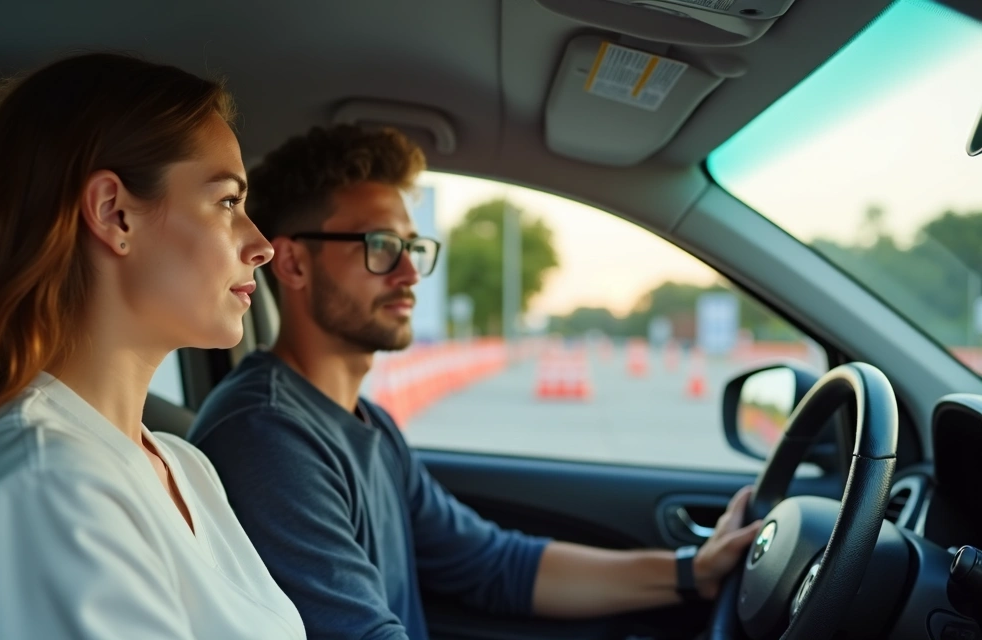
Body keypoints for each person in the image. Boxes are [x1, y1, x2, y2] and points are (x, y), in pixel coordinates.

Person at [189, 124, 762, 639]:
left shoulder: (368, 424)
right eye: (383, 247)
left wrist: (693, 571)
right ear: (291, 264)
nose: (412, 272)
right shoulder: (267, 436)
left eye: (413, 248)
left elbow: (493, 564)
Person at [0, 53, 306, 639]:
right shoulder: (43, 486)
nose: (262, 246)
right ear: (114, 213)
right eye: (228, 202)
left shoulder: (184, 466)